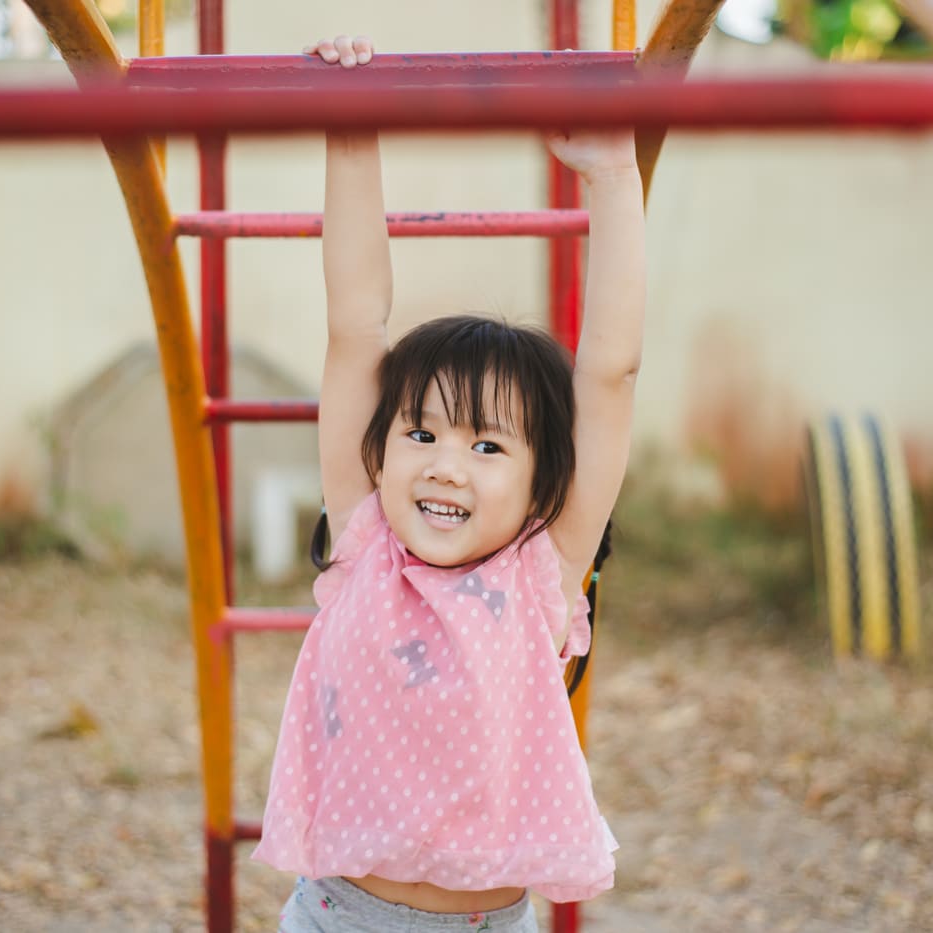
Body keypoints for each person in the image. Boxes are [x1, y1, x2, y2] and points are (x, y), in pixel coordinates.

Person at [253, 34, 646, 933]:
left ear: (546, 483)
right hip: (337, 916)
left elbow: (610, 374)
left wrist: (613, 178)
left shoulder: (541, 572)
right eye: (421, 433)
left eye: (487, 447)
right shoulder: (367, 542)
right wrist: (352, 136)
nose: (442, 463)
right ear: (380, 450)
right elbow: (357, 324)